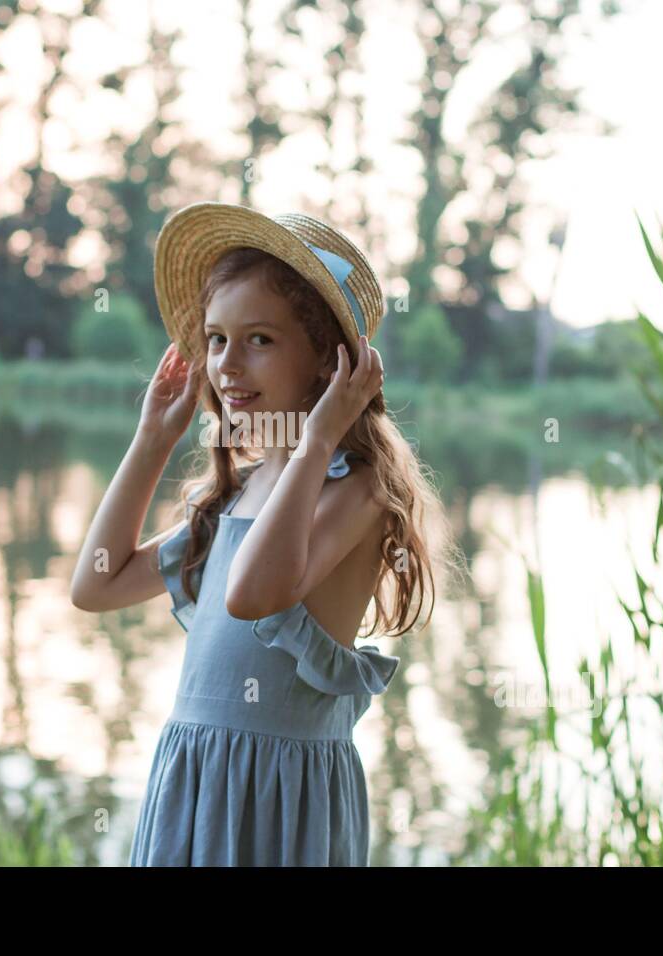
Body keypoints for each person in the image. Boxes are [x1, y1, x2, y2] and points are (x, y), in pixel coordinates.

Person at [71, 202, 458, 866]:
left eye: (260, 339)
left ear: (327, 363)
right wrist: (149, 443)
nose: (227, 364)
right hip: (195, 784)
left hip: (281, 801)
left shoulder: (356, 487)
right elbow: (96, 584)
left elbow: (252, 594)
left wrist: (318, 440)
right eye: (216, 339)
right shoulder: (238, 492)